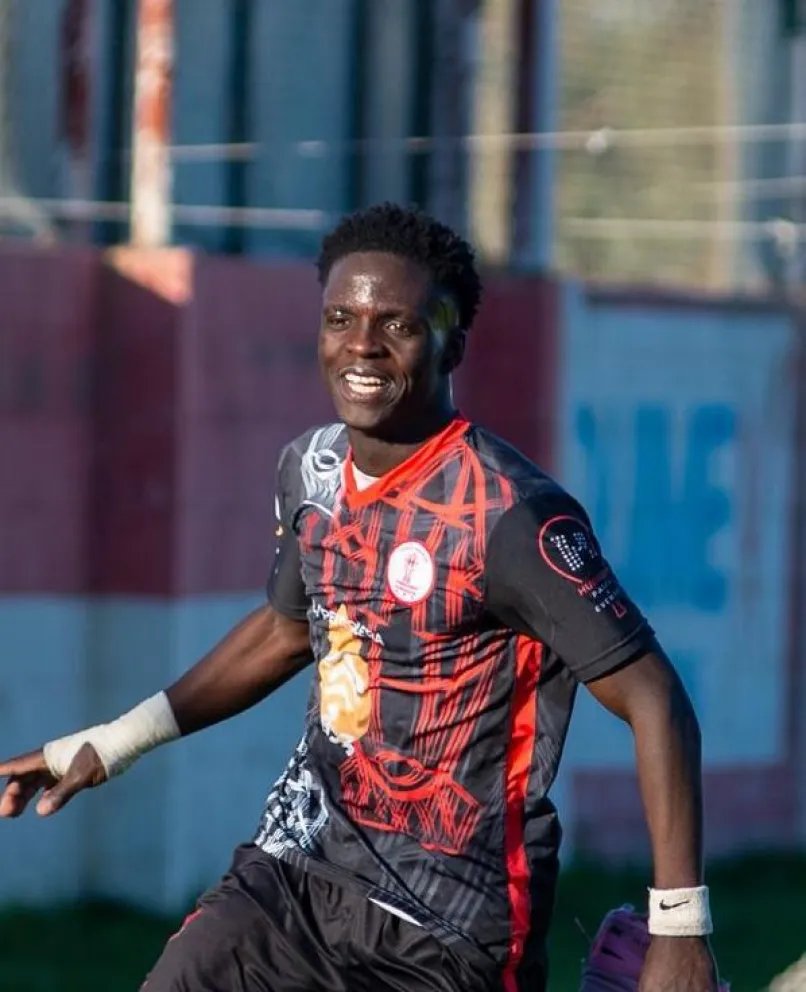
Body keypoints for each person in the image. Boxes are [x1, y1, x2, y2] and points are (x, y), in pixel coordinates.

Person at [0, 203, 720, 992]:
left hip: (449, 924)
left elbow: (654, 697)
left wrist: (680, 929)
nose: (362, 346)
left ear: (451, 343)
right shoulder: (308, 470)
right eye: (341, 318)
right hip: (297, 874)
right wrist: (113, 741)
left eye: (398, 325)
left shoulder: (511, 515)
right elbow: (284, 633)